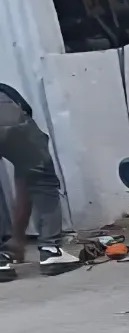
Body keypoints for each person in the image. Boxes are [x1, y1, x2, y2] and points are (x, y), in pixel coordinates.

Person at [0, 82, 78, 280]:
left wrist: (17, 239)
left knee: (31, 175)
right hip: (6, 112)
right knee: (42, 178)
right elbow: (30, 176)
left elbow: (23, 180)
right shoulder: (13, 107)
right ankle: (51, 250)